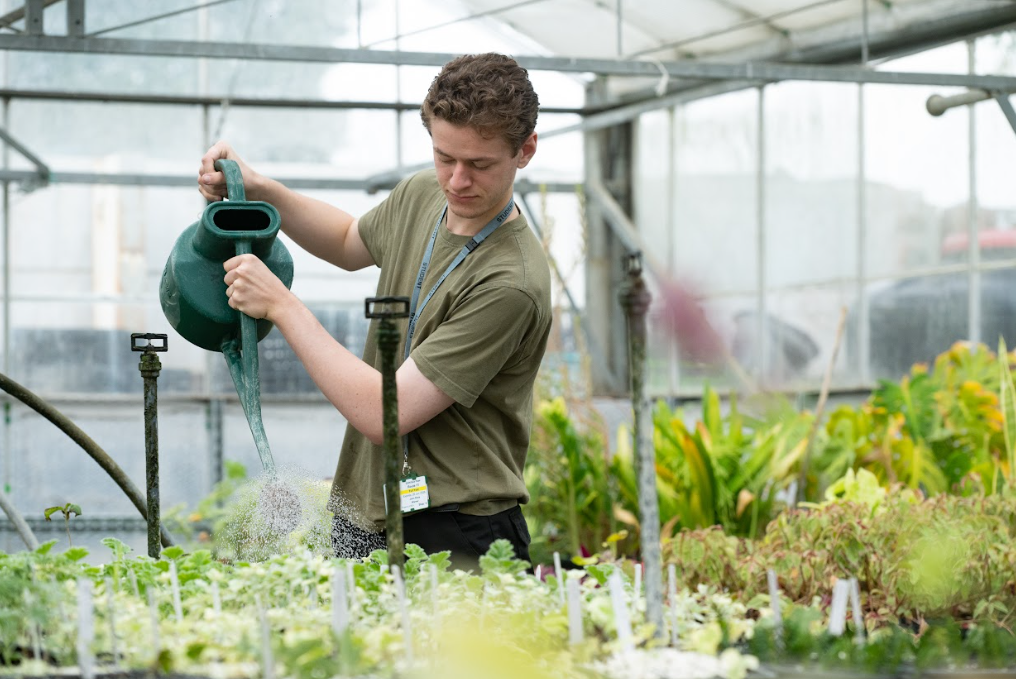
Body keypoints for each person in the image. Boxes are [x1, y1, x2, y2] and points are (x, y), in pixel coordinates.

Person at [197, 52, 551, 568]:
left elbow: (387, 414)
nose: (456, 181)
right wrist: (260, 188)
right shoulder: (423, 194)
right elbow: (346, 241)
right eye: (443, 156)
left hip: (456, 528)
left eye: (479, 165)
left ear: (526, 151)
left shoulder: (510, 281)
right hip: (366, 509)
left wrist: (283, 306)